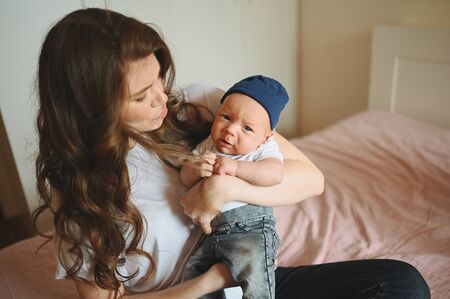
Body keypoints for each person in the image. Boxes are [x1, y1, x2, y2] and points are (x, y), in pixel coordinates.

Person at [32, 7, 430, 299]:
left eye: (159, 79)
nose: (161, 99)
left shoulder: (204, 108)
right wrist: (214, 280)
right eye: (140, 96)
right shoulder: (79, 195)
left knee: (400, 283)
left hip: (250, 278)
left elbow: (311, 179)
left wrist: (220, 190)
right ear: (89, 107)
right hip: (206, 289)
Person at [180, 75, 288, 298]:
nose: (230, 130)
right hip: (210, 234)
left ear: (266, 137)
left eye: (247, 128)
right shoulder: (207, 145)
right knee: (193, 274)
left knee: (255, 284)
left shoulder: (262, 150)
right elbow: (185, 177)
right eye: (226, 117)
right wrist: (195, 169)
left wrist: (237, 168)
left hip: (249, 229)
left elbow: (274, 174)